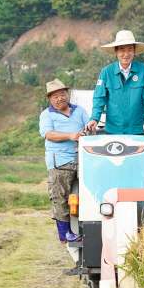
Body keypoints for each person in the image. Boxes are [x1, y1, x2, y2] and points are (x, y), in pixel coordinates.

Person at [39, 79, 89, 244]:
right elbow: (48, 134)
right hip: (59, 161)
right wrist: (70, 135)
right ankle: (65, 234)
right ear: (50, 99)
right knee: (60, 197)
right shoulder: (47, 115)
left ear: (68, 94)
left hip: (82, 159)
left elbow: (89, 128)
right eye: (55, 96)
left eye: (62, 94)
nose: (60, 98)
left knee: (86, 195)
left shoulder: (79, 110)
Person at [85, 30, 144, 135]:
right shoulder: (106, 72)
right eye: (122, 50)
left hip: (137, 130)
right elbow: (99, 98)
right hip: (113, 131)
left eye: (130, 50)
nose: (126, 54)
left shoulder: (143, 70)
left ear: (134, 51)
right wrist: (94, 119)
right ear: (116, 51)